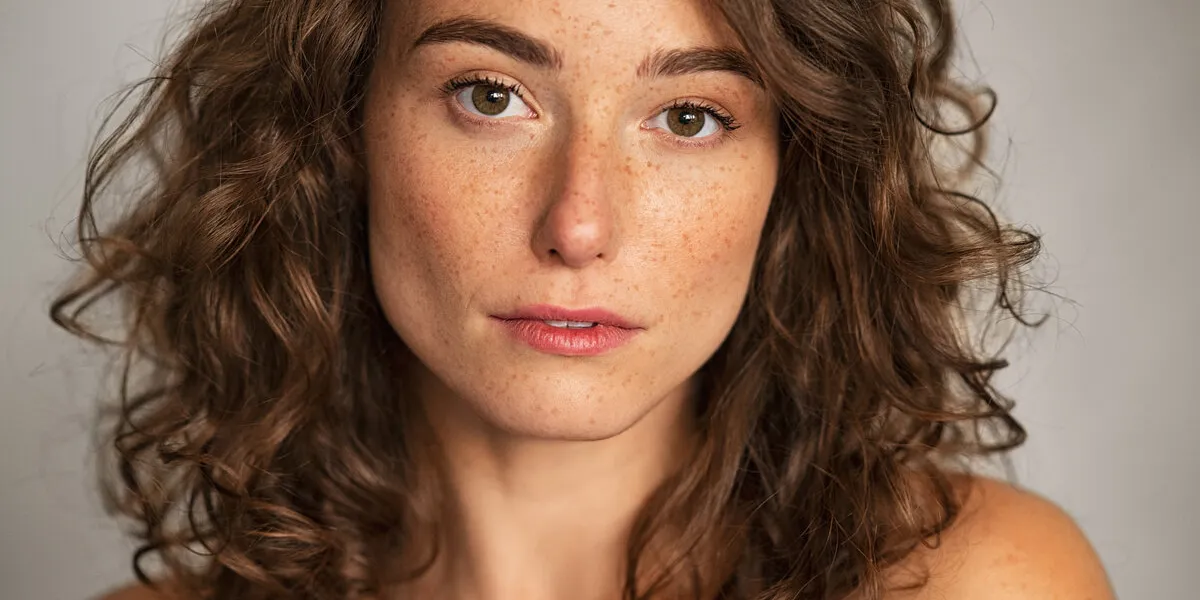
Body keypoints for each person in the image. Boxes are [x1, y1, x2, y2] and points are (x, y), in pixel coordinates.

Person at [52, 0, 1115, 598]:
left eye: (689, 117)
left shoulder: (977, 582)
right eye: (490, 96)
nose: (579, 225)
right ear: (339, 131)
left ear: (797, 172)